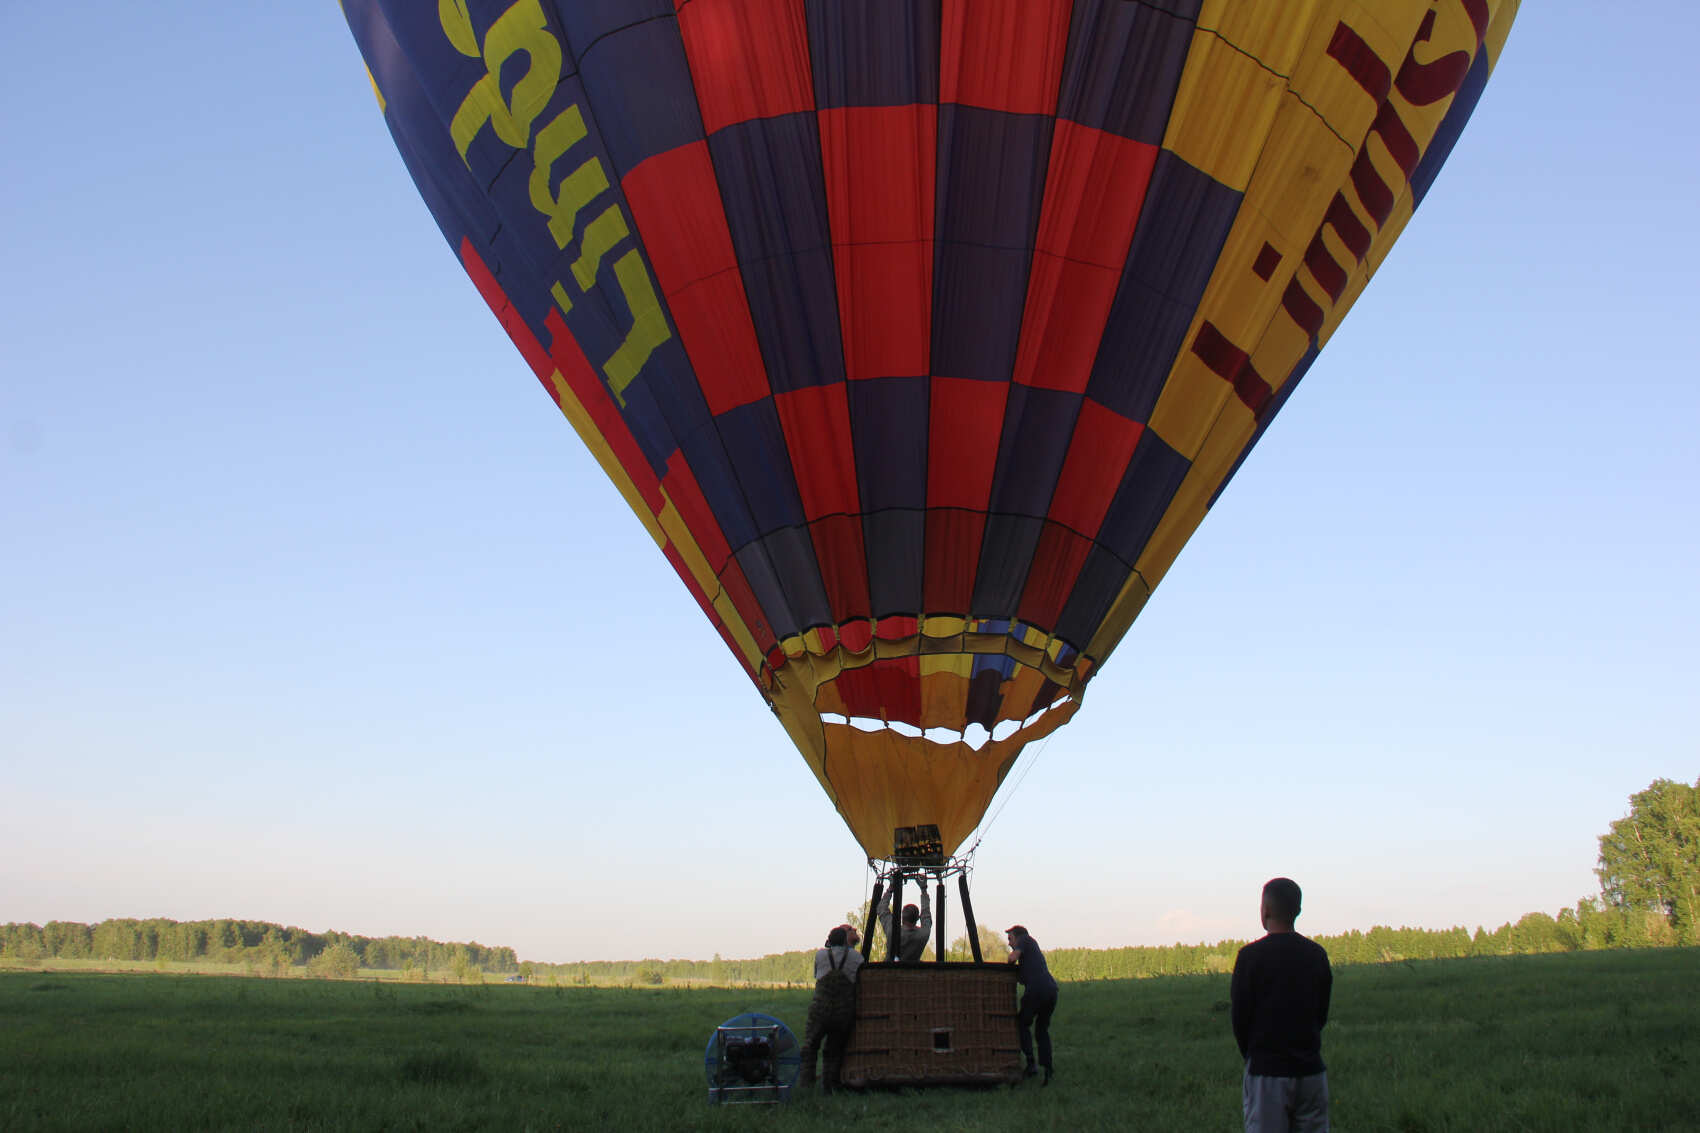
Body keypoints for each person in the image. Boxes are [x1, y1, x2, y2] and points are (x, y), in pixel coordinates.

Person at [1230, 878, 1333, 1132]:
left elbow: (1240, 1019)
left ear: (1264, 910)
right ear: (1297, 910)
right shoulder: (1316, 954)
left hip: (1266, 1074)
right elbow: (1321, 1013)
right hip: (1311, 1071)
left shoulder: (1249, 957)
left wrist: (1254, 1055)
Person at [797, 924, 863, 1094]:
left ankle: (806, 1084)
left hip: (820, 1010)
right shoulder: (857, 958)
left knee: (810, 1047)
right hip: (843, 1012)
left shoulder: (820, 955)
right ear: (845, 940)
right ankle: (829, 1086)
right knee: (833, 1051)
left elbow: (816, 974)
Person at [1004, 924, 1058, 1084]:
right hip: (1051, 991)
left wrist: (1008, 963)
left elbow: (1011, 958)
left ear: (1018, 936)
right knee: (1041, 1030)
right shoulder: (1031, 954)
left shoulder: (1025, 940)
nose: (1009, 943)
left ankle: (1031, 1064)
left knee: (1021, 1024)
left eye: (1010, 938)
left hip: (1036, 991)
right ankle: (1048, 1069)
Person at [876, 877, 933, 962]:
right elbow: (926, 915)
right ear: (918, 918)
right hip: (913, 972)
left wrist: (891, 888)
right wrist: (923, 889)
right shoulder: (923, 934)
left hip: (889, 971)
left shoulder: (892, 931)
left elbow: (881, 909)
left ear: (901, 917)